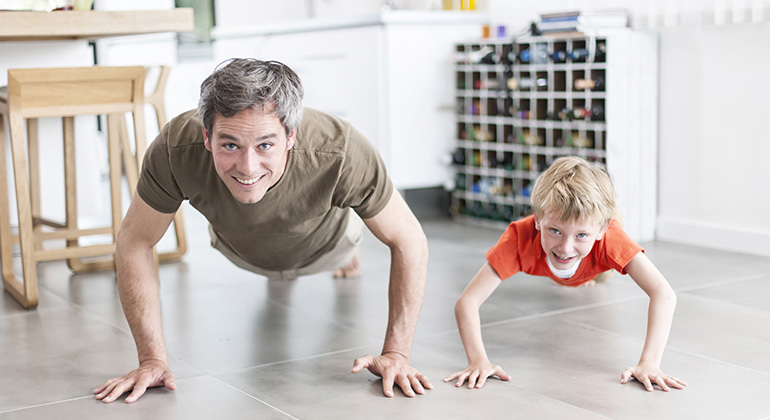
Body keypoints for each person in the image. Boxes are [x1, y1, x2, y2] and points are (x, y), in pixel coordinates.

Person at [94, 58, 432, 403]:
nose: (247, 166)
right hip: (240, 250)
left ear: (291, 136)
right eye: (230, 145)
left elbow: (409, 239)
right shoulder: (175, 148)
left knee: (348, 243)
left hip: (330, 246)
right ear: (206, 136)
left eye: (265, 145)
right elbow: (135, 241)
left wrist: (397, 355)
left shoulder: (340, 150)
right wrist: (152, 359)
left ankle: (345, 241)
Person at [444, 156, 687, 392]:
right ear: (537, 220)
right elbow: (467, 302)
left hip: (598, 254)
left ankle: (596, 231)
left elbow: (664, 293)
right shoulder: (519, 238)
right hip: (561, 248)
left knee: (600, 275)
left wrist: (650, 363)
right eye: (554, 231)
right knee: (564, 260)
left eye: (581, 235)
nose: (565, 246)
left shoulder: (610, 238)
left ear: (601, 230)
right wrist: (478, 361)